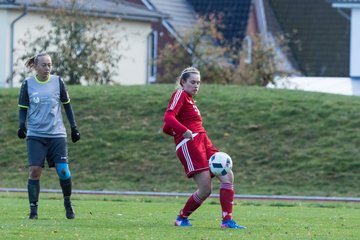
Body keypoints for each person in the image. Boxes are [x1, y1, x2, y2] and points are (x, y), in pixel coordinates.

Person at [163, 67, 246, 229]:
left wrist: (180, 130)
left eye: (198, 83)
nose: (196, 86)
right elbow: (168, 117)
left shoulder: (190, 100)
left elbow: (167, 128)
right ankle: (181, 218)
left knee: (227, 175)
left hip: (203, 141)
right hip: (191, 144)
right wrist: (184, 132)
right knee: (205, 189)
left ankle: (227, 221)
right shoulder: (180, 94)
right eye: (192, 82)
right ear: (182, 82)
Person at [17, 52, 81, 219]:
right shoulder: (27, 84)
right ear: (36, 67)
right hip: (36, 135)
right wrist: (21, 125)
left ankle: (67, 203)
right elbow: (22, 108)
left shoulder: (57, 82)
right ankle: (33, 211)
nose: (47, 68)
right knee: (35, 171)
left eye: (49, 65)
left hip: (56, 134)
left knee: (63, 171)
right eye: (44, 65)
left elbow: (67, 106)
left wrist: (74, 128)